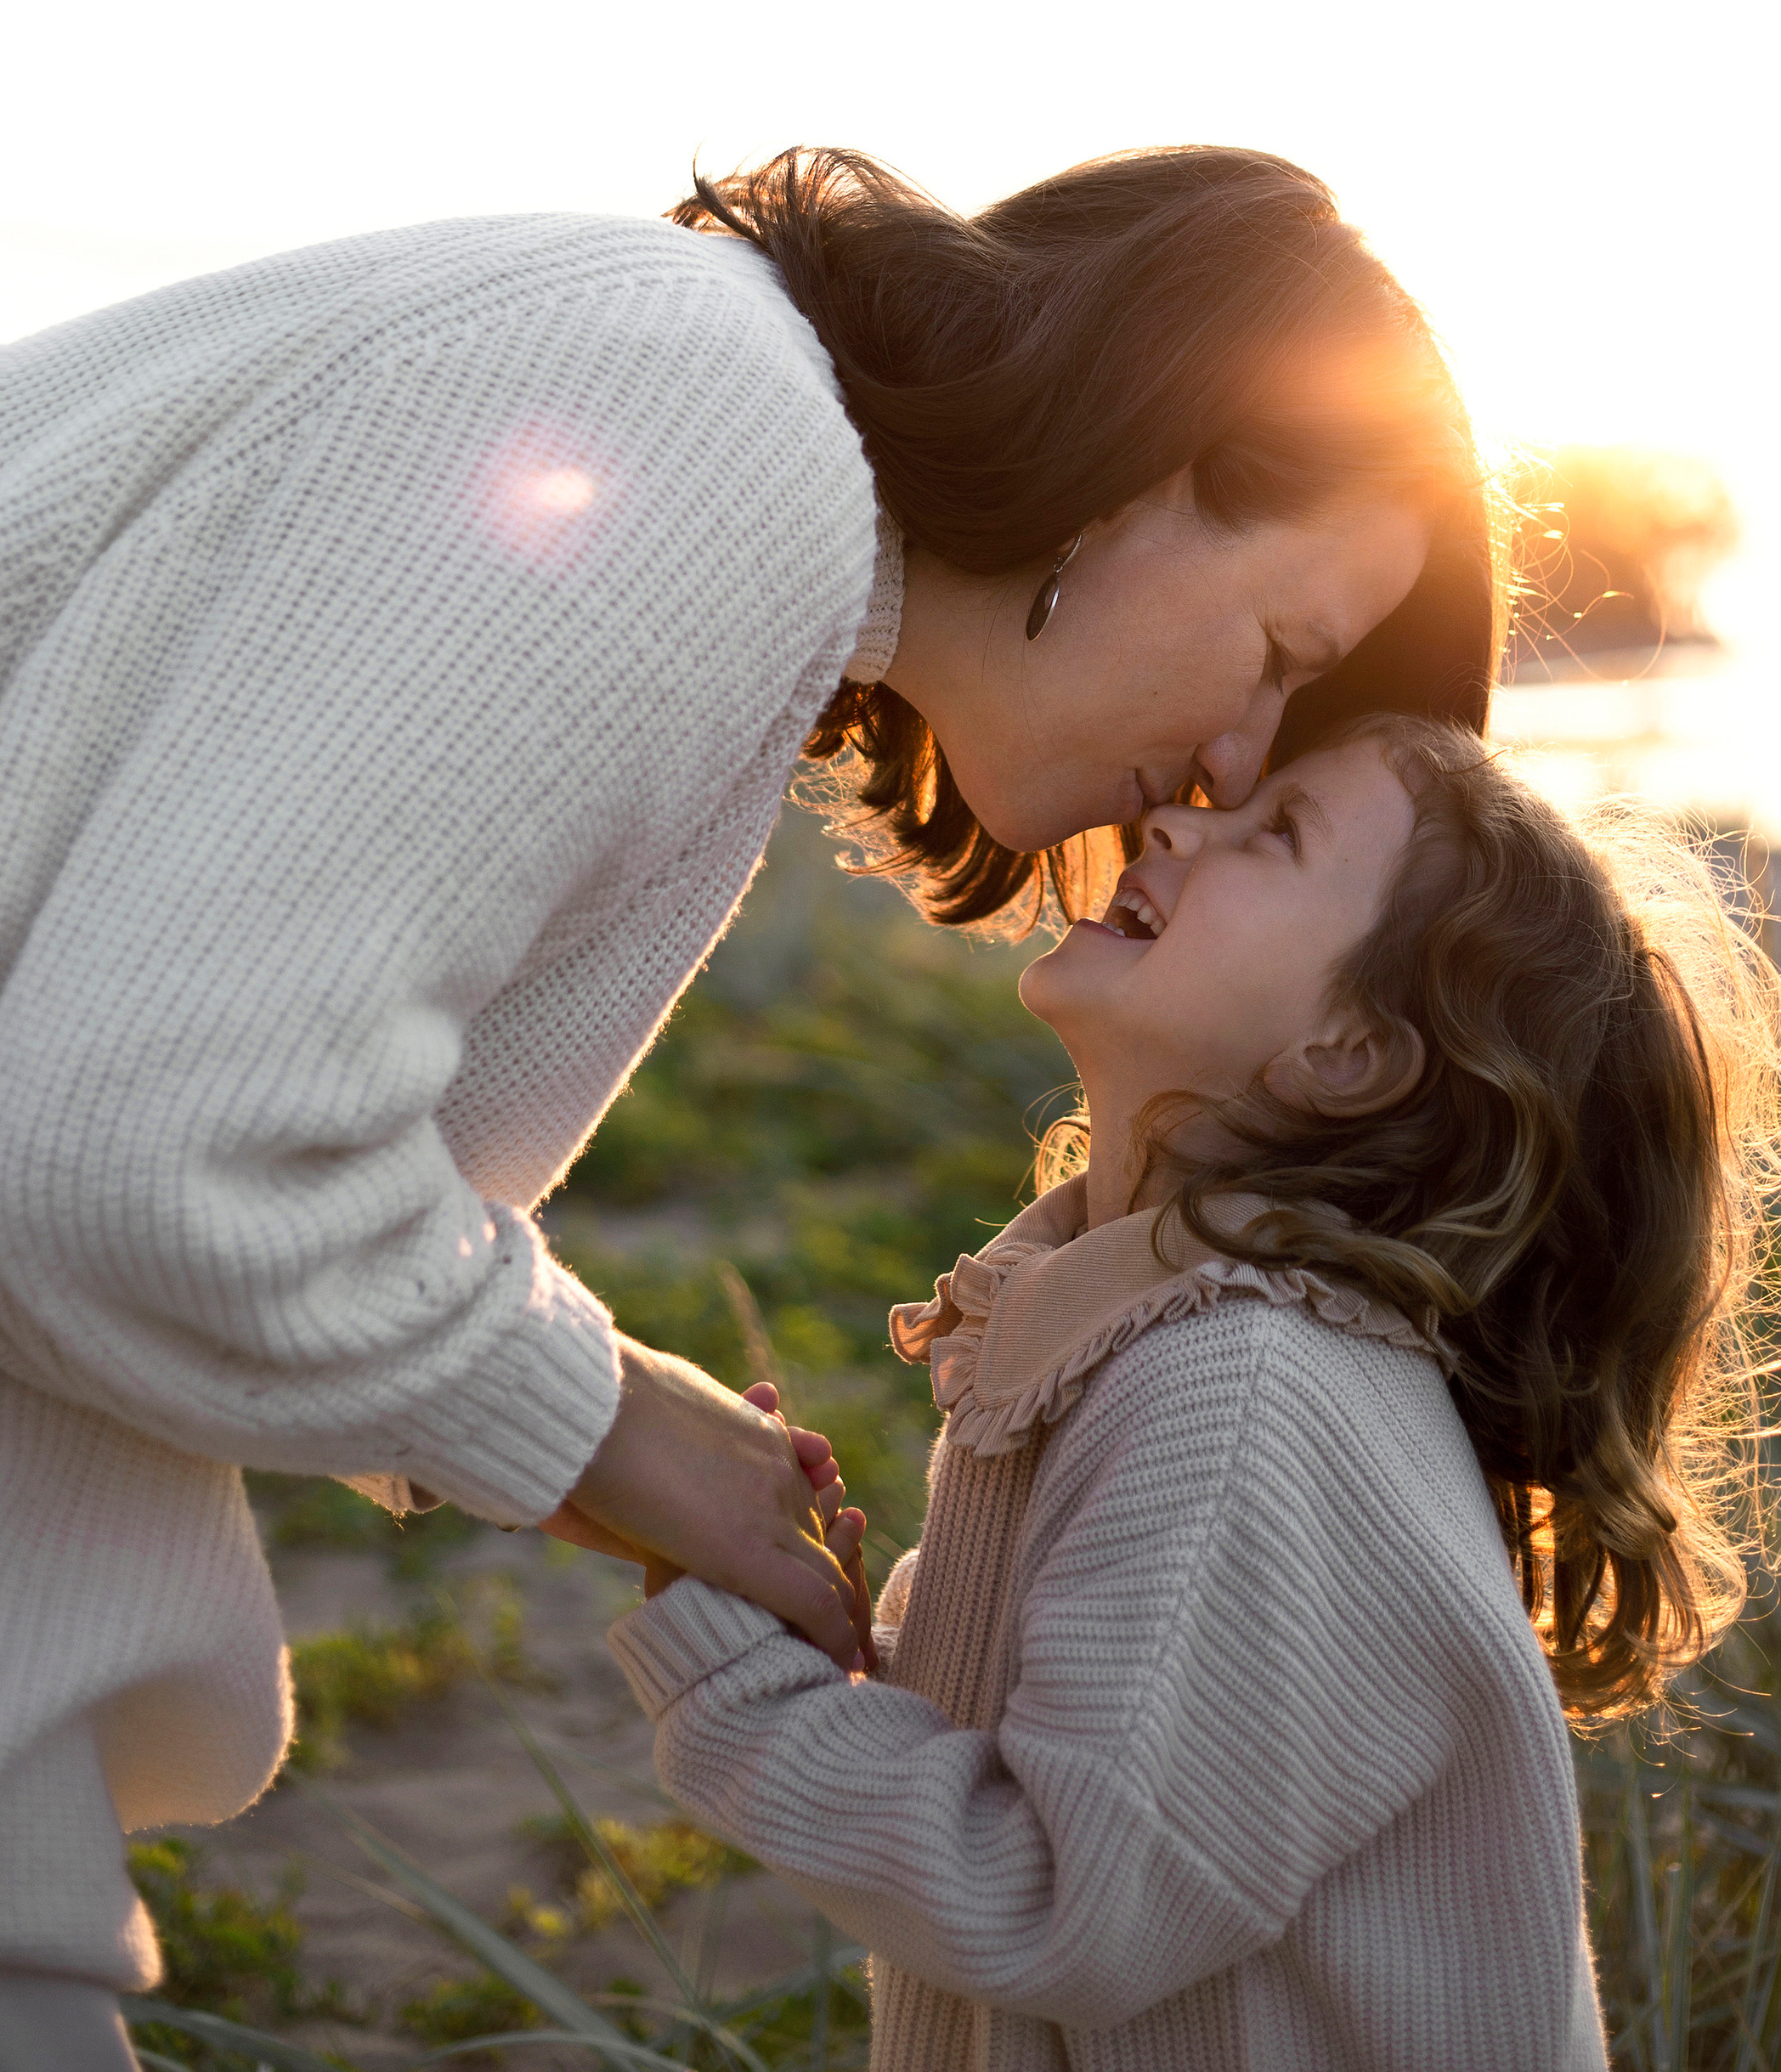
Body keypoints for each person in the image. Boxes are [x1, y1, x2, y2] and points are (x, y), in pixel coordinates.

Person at [0, 144, 1497, 2068]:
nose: (1217, 767)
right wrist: (595, 1426)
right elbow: (145, 1154)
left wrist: (580, 1425)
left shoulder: (706, 424)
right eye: (1276, 660)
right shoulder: (709, 436)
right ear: (1141, 463)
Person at [608, 717, 1781, 2072]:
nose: (1179, 823)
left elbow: (1068, 1902)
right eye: (1210, 806)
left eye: (1276, 834)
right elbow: (1103, 1750)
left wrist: (747, 1678)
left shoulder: (1238, 1395)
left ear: (1352, 1050)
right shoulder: (1150, 1328)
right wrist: (858, 1646)